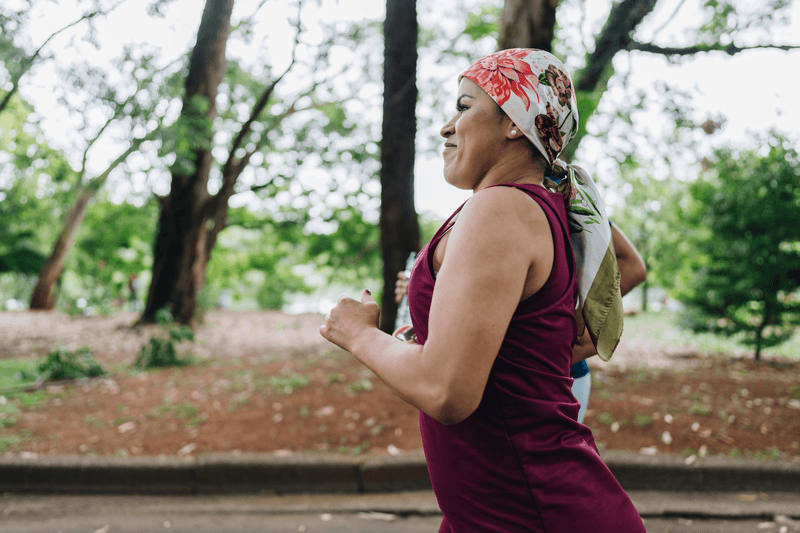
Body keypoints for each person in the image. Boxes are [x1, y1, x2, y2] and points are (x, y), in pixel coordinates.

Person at [321, 49, 646, 532]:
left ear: (515, 122)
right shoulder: (532, 204)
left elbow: (446, 391)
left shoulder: (501, 210)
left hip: (535, 512)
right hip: (494, 511)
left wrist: (359, 334)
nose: (446, 126)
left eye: (463, 105)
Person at [394, 221, 646, 423]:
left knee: (548, 476)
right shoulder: (480, 216)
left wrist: (570, 323)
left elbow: (634, 268)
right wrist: (422, 288)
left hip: (555, 377)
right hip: (491, 376)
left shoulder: (572, 206)